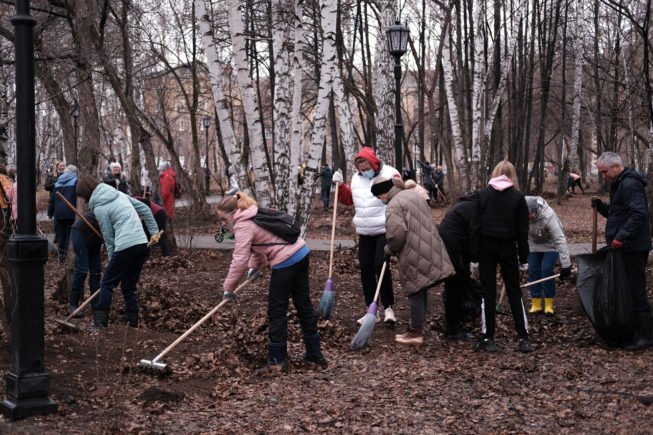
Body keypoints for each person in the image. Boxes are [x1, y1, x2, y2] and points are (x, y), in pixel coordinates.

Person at [216, 191, 327, 371]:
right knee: (303, 304)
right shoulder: (253, 212)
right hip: (301, 252)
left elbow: (239, 259)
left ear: (232, 213)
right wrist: (254, 267)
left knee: (277, 309)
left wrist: (228, 288)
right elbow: (261, 244)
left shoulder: (242, 225)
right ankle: (315, 353)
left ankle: (277, 360)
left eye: (223, 219)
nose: (223, 223)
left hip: (286, 261)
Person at [372, 177, 455, 346]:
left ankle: (415, 332)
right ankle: (417, 327)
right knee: (421, 287)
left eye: (378, 197)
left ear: (383, 193)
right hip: (428, 246)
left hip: (413, 250)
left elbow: (397, 234)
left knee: (415, 288)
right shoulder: (413, 194)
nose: (380, 200)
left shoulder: (394, 205)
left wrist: (389, 249)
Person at [76, 175, 160, 329]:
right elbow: (146, 209)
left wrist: (112, 257)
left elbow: (108, 237)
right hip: (141, 244)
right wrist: (153, 232)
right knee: (128, 286)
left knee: (107, 283)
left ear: (87, 193)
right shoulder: (120, 194)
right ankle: (132, 324)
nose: (83, 200)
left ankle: (100, 324)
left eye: (82, 197)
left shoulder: (100, 208)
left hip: (125, 246)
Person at [332, 146, 400, 325]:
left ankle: (388, 308)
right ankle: (372, 309)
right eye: (361, 170)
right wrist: (340, 187)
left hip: (383, 228)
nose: (365, 172)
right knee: (366, 269)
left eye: (367, 168)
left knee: (381, 265)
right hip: (364, 230)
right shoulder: (356, 179)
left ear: (374, 163)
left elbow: (398, 196)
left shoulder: (390, 173)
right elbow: (349, 199)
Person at [592, 152, 653, 351]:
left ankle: (646, 335)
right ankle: (634, 331)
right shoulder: (620, 184)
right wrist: (602, 207)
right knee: (628, 288)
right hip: (626, 246)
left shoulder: (629, 185)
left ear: (616, 166)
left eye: (604, 171)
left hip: (633, 248)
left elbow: (639, 214)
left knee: (635, 290)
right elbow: (618, 213)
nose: (603, 175)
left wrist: (621, 237)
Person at [470, 160, 531, 353]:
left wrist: (474, 257)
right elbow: (523, 232)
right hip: (508, 247)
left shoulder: (483, 195)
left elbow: (475, 228)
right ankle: (523, 337)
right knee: (514, 291)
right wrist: (524, 259)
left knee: (488, 292)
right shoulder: (518, 198)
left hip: (486, 247)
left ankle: (488, 337)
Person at [437, 192, 480, 340]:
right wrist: (475, 258)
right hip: (453, 248)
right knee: (456, 285)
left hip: (445, 244)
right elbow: (474, 235)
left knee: (454, 285)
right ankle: (453, 328)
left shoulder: (462, 205)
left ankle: (455, 321)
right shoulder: (474, 209)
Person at [525, 196, 572, 315]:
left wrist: (566, 264)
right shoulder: (520, 215)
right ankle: (536, 303)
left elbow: (560, 239)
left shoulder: (548, 216)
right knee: (533, 270)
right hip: (532, 244)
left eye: (530, 214)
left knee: (546, 269)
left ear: (535, 210)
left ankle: (548, 304)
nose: (528, 217)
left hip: (550, 244)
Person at [68, 210, 102, 316]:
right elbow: (109, 235)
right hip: (80, 232)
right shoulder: (112, 209)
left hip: (95, 237)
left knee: (96, 271)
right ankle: (73, 305)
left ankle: (96, 305)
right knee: (82, 269)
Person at [51, 165, 78, 262]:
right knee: (69, 234)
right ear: (74, 172)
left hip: (58, 213)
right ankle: (66, 256)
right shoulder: (75, 181)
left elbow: (53, 200)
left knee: (62, 235)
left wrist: (50, 213)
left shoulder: (58, 182)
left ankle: (61, 256)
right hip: (70, 211)